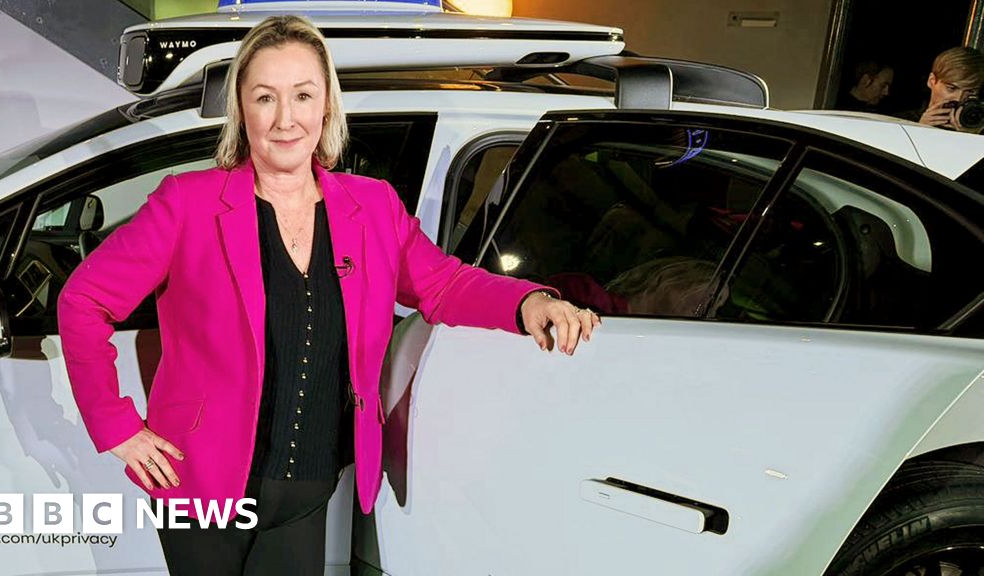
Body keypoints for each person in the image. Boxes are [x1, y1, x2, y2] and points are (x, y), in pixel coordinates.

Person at [56, 15, 599, 576]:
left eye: (302, 95)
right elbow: (83, 302)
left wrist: (529, 303)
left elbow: (444, 283)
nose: (285, 119)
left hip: (309, 488)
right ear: (241, 108)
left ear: (326, 106)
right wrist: (117, 427)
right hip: (202, 485)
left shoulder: (373, 208)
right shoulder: (186, 204)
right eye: (265, 97)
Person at [911, 47, 984, 132]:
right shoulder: (903, 121)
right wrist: (918, 129)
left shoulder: (980, 130)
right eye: (951, 88)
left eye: (970, 91)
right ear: (932, 81)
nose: (959, 98)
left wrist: (972, 136)